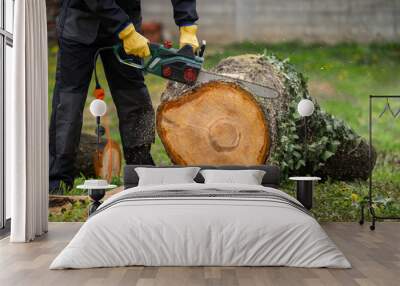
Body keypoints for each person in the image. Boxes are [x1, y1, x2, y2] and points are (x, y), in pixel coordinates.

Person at [49, 0, 199, 194]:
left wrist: (188, 25)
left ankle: (142, 168)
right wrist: (125, 30)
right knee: (68, 103)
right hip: (81, 24)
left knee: (134, 97)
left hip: (127, 21)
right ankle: (58, 179)